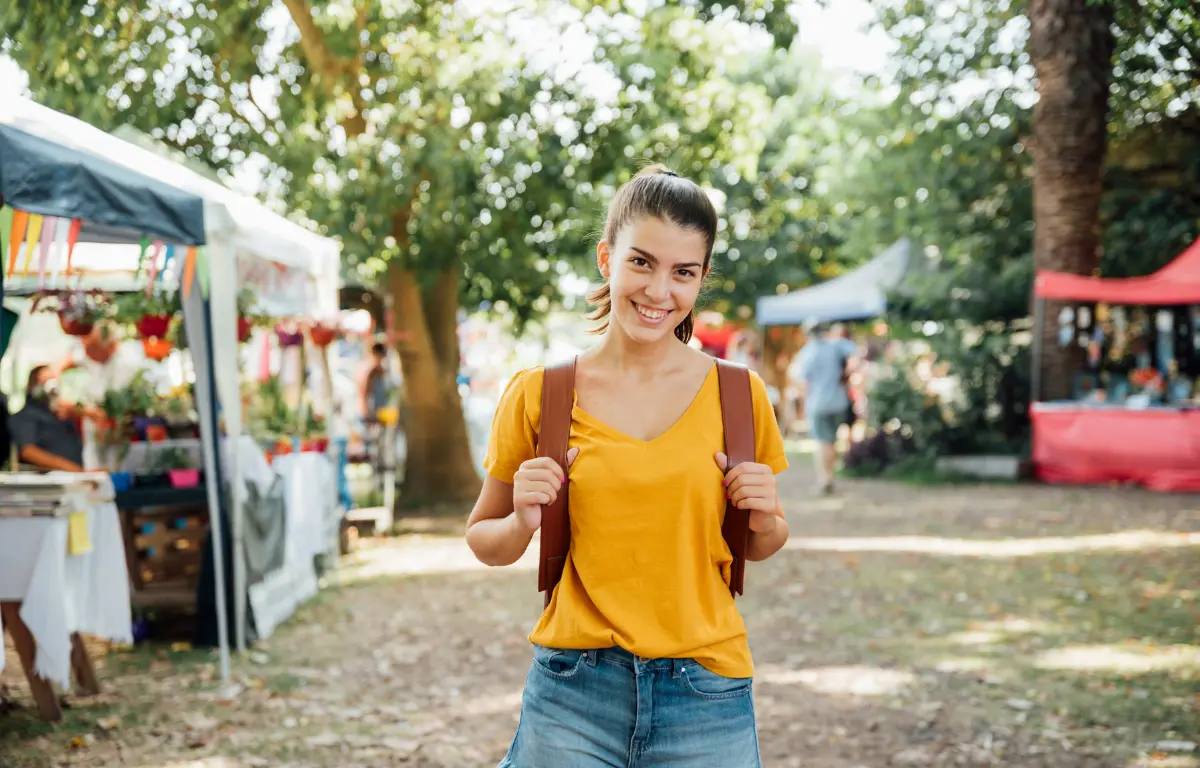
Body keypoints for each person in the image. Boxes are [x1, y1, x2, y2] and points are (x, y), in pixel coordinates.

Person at [466, 166, 789, 767]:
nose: (659, 290)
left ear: (700, 280)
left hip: (706, 694)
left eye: (682, 272)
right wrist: (520, 522)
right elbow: (484, 539)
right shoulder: (540, 396)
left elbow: (764, 540)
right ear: (605, 258)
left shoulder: (739, 397)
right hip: (573, 693)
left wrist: (764, 513)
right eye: (641, 262)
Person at [792, 320, 857, 495]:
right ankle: (831, 475)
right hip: (839, 401)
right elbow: (855, 356)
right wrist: (845, 375)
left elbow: (799, 379)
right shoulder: (836, 345)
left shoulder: (807, 353)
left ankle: (825, 479)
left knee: (822, 442)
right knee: (833, 441)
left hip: (818, 403)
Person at [9, 366, 85, 472]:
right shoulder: (26, 416)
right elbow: (27, 451)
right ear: (33, 385)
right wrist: (71, 468)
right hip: (44, 483)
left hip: (74, 480)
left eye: (54, 380)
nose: (52, 386)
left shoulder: (64, 418)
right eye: (46, 380)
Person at [358, 341, 392, 424]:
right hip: (374, 413)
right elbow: (364, 394)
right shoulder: (372, 371)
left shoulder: (380, 370)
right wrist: (366, 414)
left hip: (382, 410)